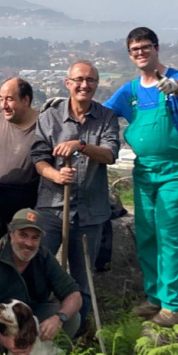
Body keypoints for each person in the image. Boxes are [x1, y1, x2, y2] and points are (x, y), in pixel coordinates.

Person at [103, 27, 178, 327]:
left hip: (177, 170)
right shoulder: (130, 91)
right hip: (145, 170)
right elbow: (102, 112)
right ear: (130, 54)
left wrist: (173, 86)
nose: (140, 53)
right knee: (146, 232)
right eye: (134, 50)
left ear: (156, 48)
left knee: (169, 231)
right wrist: (66, 106)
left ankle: (173, 303)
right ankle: (155, 296)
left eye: (145, 47)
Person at [31, 60, 120, 333]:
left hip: (90, 212)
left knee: (83, 280)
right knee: (37, 273)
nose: (85, 85)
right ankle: (34, 329)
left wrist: (81, 146)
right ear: (67, 83)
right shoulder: (49, 117)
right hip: (52, 209)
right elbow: (38, 158)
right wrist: (55, 176)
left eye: (91, 80)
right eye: (79, 79)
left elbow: (110, 154)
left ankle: (81, 334)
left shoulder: (106, 117)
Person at [0, 208, 82, 355]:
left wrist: (58, 318)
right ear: (11, 233)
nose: (29, 243)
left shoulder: (44, 256)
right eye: (23, 235)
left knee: (72, 318)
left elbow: (74, 295)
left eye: (35, 238)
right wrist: (4, 340)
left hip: (24, 322)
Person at [0, 78, 40, 244]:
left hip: (23, 208)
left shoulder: (43, 127)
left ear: (26, 100)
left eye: (10, 99)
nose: (3, 105)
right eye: (1, 99)